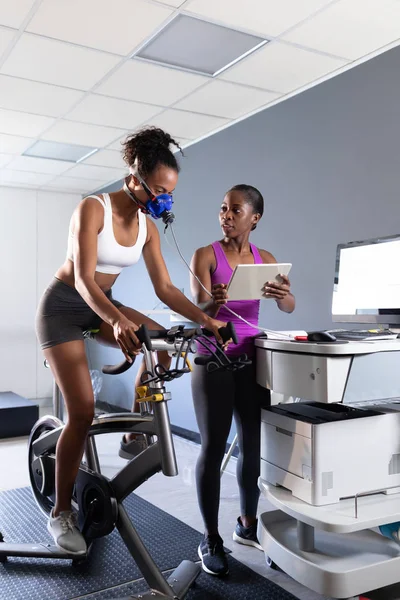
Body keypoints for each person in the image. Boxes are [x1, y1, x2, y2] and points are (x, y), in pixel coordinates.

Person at [35, 127, 227, 555]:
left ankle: (131, 436)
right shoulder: (93, 209)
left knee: (160, 339)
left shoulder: (147, 227)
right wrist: (117, 320)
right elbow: (85, 278)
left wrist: (203, 319)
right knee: (82, 412)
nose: (165, 200)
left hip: (101, 309)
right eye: (158, 190)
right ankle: (61, 512)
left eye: (170, 192)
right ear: (133, 180)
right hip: (64, 310)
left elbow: (166, 289)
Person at [190, 184, 295, 576]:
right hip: (212, 359)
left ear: (255, 217)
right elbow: (194, 308)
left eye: (235, 210)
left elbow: (288, 305)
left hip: (252, 361)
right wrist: (213, 301)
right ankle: (210, 538)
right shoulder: (205, 255)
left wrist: (281, 293)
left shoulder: (263, 259)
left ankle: (247, 524)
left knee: (253, 447)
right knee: (213, 448)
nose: (226, 215)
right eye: (222, 208)